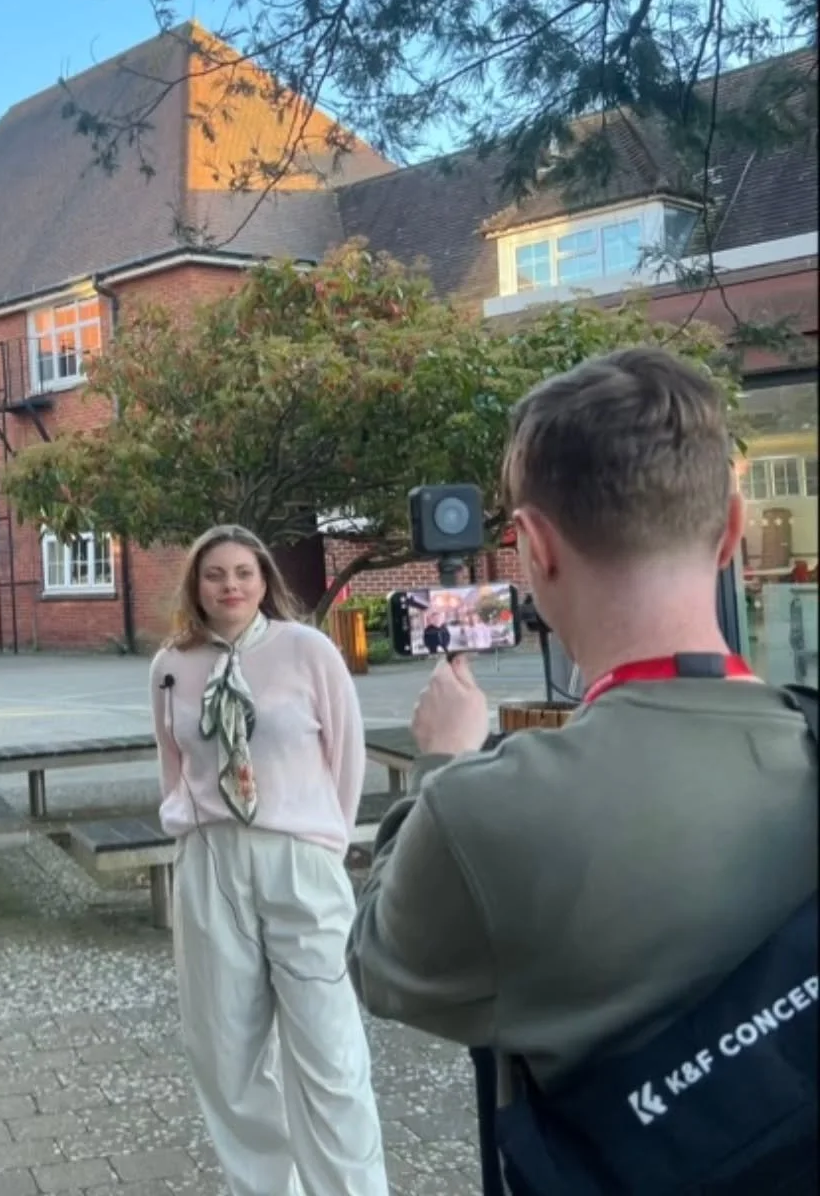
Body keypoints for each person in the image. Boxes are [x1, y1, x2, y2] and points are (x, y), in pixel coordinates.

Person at [346, 349, 817, 1173]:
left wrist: (442, 763)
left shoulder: (481, 814)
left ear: (534, 546)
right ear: (733, 528)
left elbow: (381, 965)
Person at [151, 524, 389, 1196]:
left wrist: (323, 843)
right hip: (211, 860)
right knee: (226, 1052)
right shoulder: (171, 665)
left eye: (243, 573)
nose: (229, 586)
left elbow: (346, 757)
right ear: (196, 585)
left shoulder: (308, 651)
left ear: (264, 580)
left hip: (298, 858)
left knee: (329, 1050)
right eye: (215, 574)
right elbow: (172, 764)